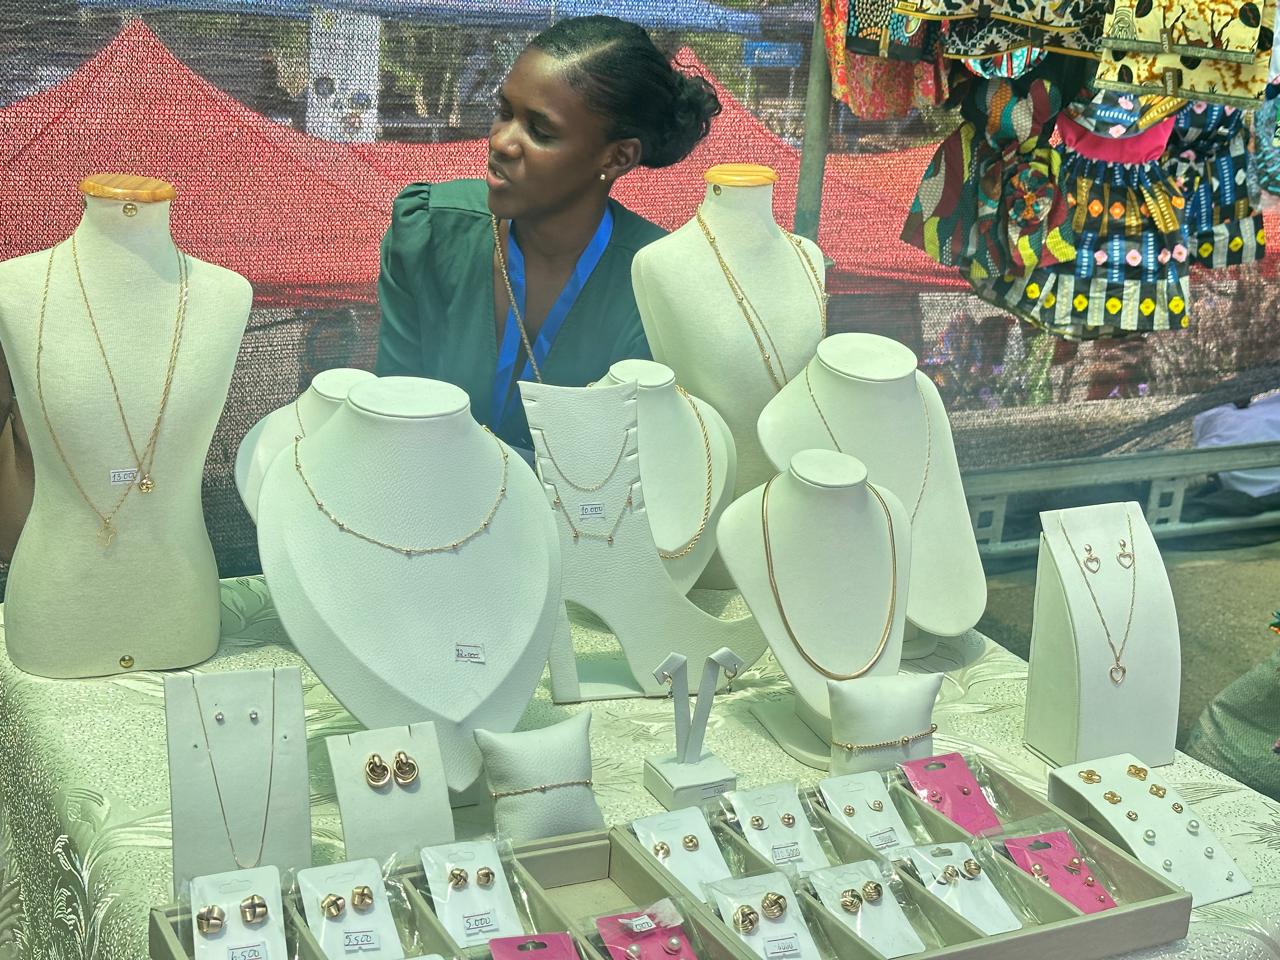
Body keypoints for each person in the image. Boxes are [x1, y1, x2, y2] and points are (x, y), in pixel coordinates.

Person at [375, 16, 721, 450]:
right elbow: (391, 415)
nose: (501, 142)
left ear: (617, 157)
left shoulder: (657, 282)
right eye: (504, 112)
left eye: (540, 131)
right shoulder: (429, 235)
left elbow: (651, 459)